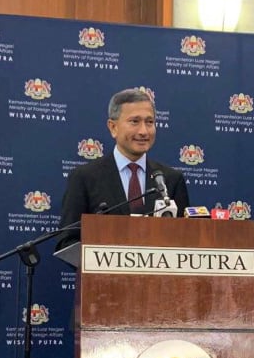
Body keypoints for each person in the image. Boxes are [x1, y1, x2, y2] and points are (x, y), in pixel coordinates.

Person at [58, 88, 190, 247]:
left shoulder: (170, 179)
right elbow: (67, 242)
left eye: (149, 122)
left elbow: (184, 240)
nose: (143, 131)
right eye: (135, 121)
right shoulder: (85, 178)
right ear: (113, 127)